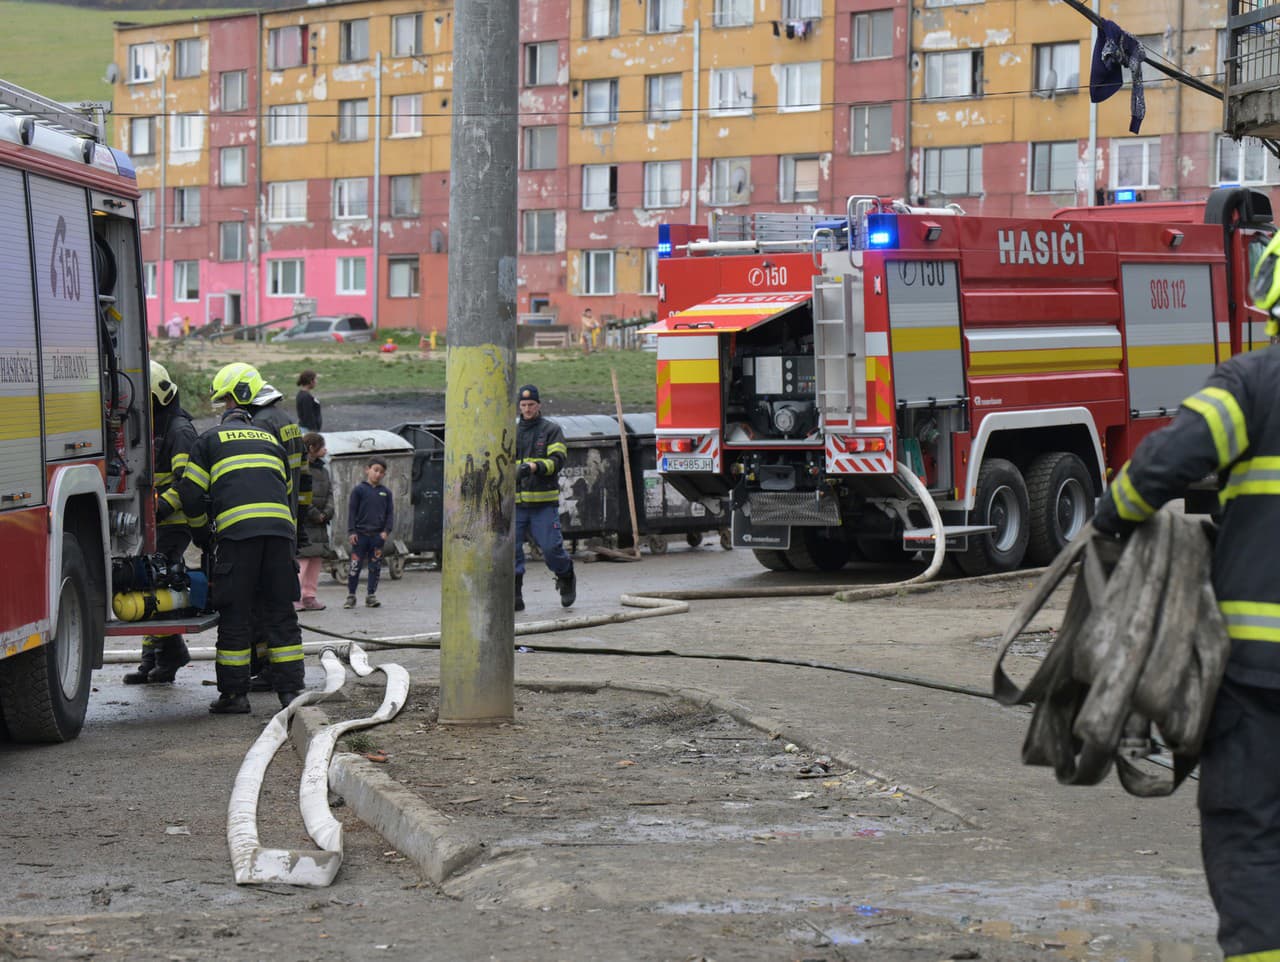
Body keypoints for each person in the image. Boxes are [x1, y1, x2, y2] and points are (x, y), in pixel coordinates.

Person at [1092, 232, 1280, 962]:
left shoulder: (1253, 384)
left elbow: (1163, 464)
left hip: (1258, 675)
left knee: (1250, 833)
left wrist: (1112, 520)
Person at [171, 363, 305, 714]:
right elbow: (286, 492)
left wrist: (202, 534)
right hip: (279, 537)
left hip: (237, 540)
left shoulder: (209, 441)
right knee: (280, 614)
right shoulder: (272, 442)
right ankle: (291, 692)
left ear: (228, 410)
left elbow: (190, 493)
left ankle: (235, 696)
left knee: (236, 615)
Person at [126, 361, 198, 685]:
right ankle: (153, 659)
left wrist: (159, 508)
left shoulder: (179, 431)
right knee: (145, 586)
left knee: (155, 583)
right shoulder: (151, 428)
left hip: (174, 522)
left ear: (160, 397)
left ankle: (168, 656)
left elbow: (188, 482)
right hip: (152, 523)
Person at [514, 384, 576, 611]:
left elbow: (557, 460)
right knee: (511, 551)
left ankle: (566, 575)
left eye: (531, 405)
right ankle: (514, 594)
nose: (527, 409)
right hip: (516, 504)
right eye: (523, 405)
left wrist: (534, 467)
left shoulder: (551, 430)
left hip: (542, 504)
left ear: (539, 405)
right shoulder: (511, 431)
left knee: (551, 549)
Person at [345, 457, 394, 609]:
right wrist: (352, 531)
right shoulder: (359, 490)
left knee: (375, 566)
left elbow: (390, 514)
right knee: (355, 566)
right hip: (360, 536)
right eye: (375, 470)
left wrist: (386, 531)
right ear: (367, 470)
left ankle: (371, 596)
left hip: (377, 537)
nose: (378, 474)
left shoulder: (386, 493)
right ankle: (351, 596)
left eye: (381, 472)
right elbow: (352, 512)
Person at [296, 433, 333, 611]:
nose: (325, 450)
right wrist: (314, 514)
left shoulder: (324, 471)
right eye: (322, 446)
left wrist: (326, 513)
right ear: (311, 448)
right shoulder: (301, 469)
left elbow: (331, 494)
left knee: (316, 561)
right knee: (302, 562)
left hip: (320, 524)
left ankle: (309, 596)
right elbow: (300, 494)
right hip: (306, 522)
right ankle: (294, 598)